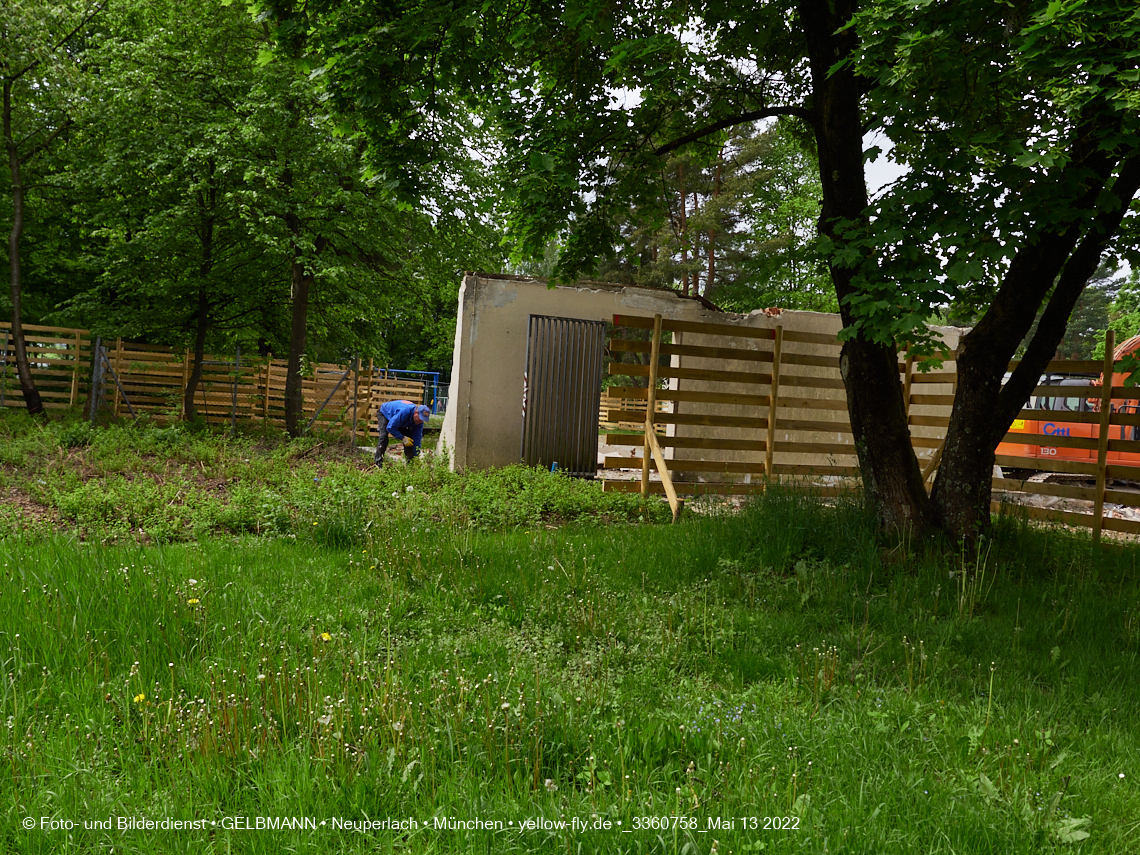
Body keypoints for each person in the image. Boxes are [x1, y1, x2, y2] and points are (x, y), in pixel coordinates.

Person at [374, 400, 431, 468]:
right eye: (420, 418)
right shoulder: (404, 412)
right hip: (385, 413)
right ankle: (378, 464)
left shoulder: (419, 422)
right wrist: (403, 438)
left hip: (398, 419)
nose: (421, 421)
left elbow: (417, 438)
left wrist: (416, 455)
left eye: (423, 419)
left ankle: (411, 464)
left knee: (411, 439)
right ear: (416, 413)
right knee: (383, 437)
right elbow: (390, 428)